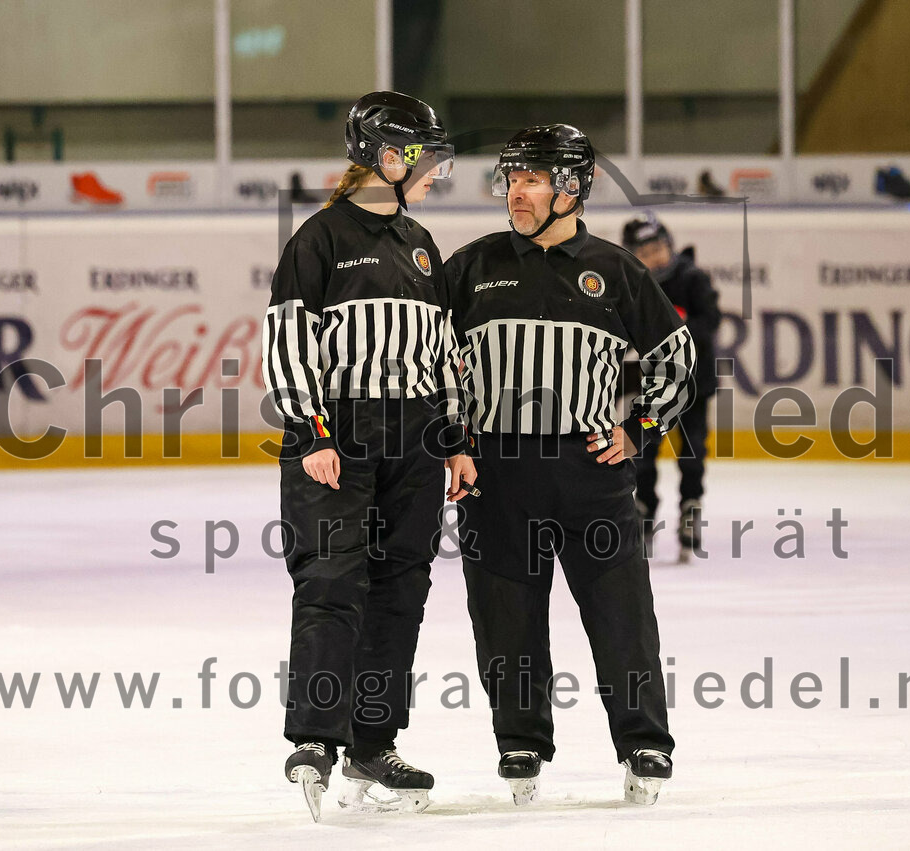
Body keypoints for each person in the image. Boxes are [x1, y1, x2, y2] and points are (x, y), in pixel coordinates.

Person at [444, 125, 696, 805]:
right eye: (510, 179)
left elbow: (678, 356)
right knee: (505, 614)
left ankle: (644, 739)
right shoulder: (470, 266)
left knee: (622, 611)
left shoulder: (614, 269)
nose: (514, 193)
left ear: (572, 188)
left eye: (529, 179)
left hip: (591, 472)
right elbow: (428, 359)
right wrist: (453, 439)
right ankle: (519, 740)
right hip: (495, 470)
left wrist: (639, 427)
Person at [261, 90, 477, 820]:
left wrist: (452, 439)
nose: (435, 172)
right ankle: (317, 737)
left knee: (401, 587)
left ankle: (372, 741)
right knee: (332, 580)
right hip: (338, 436)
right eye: (427, 158)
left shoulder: (420, 244)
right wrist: (314, 432)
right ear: (386, 157)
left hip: (414, 439)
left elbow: (441, 354)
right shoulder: (318, 241)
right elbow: (288, 343)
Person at [621, 216, 721, 560]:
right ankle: (643, 510)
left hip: (692, 388)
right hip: (650, 393)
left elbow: (710, 323)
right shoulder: (630, 284)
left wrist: (677, 325)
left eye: (659, 249)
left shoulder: (692, 278)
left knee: (693, 455)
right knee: (644, 455)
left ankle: (691, 510)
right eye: (646, 252)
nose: (656, 257)